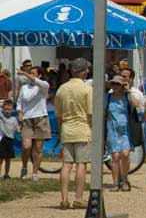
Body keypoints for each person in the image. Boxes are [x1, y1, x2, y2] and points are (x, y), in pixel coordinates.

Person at [53, 59, 93, 210]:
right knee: (81, 165)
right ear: (83, 72)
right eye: (87, 70)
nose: (88, 72)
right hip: (82, 128)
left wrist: (61, 129)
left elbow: (58, 114)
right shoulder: (87, 89)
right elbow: (90, 113)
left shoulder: (62, 89)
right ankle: (78, 198)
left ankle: (64, 199)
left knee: (66, 165)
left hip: (66, 129)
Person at [16, 64, 51, 181]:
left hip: (40, 118)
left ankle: (35, 173)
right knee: (26, 146)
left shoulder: (43, 86)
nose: (30, 75)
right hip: (27, 119)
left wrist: (24, 73)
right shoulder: (24, 88)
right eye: (30, 73)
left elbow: (38, 82)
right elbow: (19, 102)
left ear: (39, 75)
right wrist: (20, 113)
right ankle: (24, 166)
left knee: (38, 148)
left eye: (33, 73)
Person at [105, 75, 139, 191]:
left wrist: (129, 91)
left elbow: (136, 104)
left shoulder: (126, 97)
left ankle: (124, 179)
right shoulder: (108, 97)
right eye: (113, 84)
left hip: (126, 130)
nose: (115, 86)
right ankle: (115, 182)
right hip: (112, 129)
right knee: (115, 156)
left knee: (125, 154)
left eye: (117, 84)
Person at [0, 99, 20, 179]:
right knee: (0, 158)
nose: (7, 111)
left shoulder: (14, 119)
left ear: (12, 110)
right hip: (2, 139)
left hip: (10, 140)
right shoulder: (1, 117)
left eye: (9, 109)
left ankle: (6, 174)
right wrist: (2, 104)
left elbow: (17, 130)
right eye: (5, 109)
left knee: (8, 158)